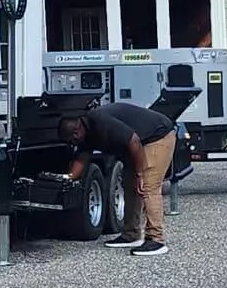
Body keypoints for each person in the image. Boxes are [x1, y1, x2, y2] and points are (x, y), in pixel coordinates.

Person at [57, 102, 177, 256]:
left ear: (76, 133)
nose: (73, 144)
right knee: (129, 185)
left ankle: (156, 239)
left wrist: (140, 174)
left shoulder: (100, 121)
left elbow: (133, 141)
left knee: (148, 186)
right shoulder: (86, 133)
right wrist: (67, 178)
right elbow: (81, 160)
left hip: (157, 137)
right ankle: (131, 235)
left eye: (72, 140)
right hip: (139, 144)